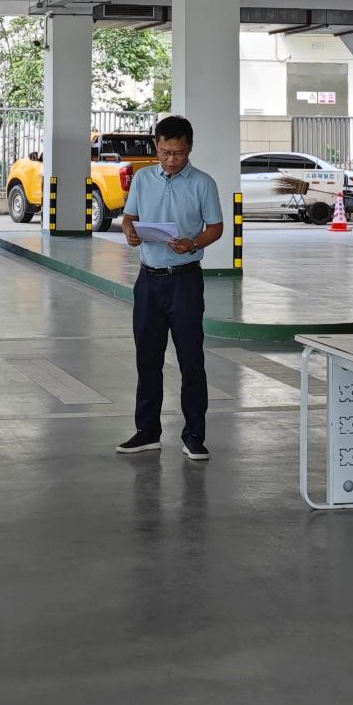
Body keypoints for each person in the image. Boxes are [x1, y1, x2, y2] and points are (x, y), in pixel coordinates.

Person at [116, 114, 226, 461]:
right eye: (164, 152)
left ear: (189, 148)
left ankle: (194, 435)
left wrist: (193, 243)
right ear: (156, 147)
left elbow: (216, 227)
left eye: (178, 153)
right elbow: (130, 217)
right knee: (147, 359)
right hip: (148, 281)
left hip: (185, 281)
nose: (171, 160)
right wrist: (129, 231)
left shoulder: (203, 184)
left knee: (191, 360)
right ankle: (147, 431)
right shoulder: (142, 178)